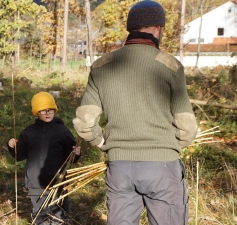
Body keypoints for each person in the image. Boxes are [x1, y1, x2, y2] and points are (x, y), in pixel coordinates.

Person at [73, 1, 198, 225]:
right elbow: (187, 127)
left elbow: (84, 121)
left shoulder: (102, 65)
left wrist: (100, 141)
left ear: (131, 28)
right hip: (162, 168)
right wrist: (167, 146)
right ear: (158, 28)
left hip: (120, 168)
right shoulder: (170, 66)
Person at [7, 92, 81, 225]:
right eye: (43, 110)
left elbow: (71, 157)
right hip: (35, 182)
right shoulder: (28, 132)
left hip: (57, 181)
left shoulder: (62, 131)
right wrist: (13, 147)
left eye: (50, 109)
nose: (47, 112)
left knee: (59, 213)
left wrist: (76, 153)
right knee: (40, 214)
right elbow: (20, 155)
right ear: (36, 112)